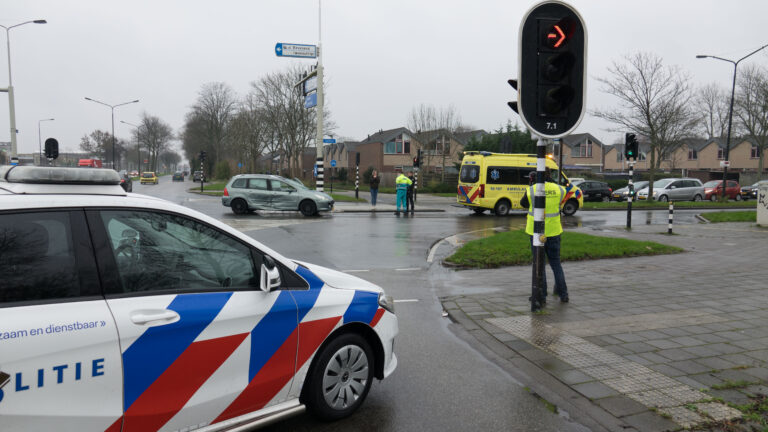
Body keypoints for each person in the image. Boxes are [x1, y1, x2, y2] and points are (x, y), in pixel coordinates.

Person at [520, 170, 568, 303]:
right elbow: (563, 200)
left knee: (539, 265)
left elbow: (523, 204)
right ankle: (563, 294)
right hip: (554, 231)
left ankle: (541, 295)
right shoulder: (559, 189)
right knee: (556, 263)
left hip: (536, 232)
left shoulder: (532, 189)